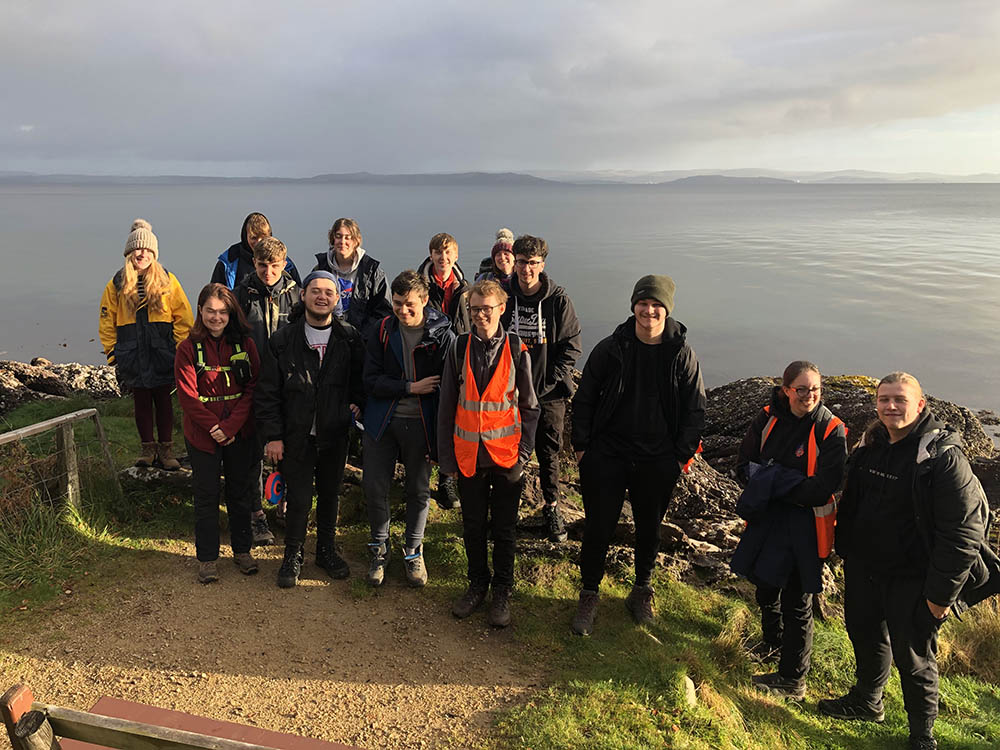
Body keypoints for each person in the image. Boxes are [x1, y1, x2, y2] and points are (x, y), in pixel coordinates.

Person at [818, 372, 985, 750]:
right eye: (884, 399)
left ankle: (921, 734)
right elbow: (854, 499)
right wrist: (841, 553)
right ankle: (867, 701)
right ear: (876, 403)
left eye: (900, 400)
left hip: (914, 577)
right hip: (864, 568)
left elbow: (963, 534)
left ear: (920, 405)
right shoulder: (871, 442)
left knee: (914, 657)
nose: (891, 406)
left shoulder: (941, 457)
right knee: (864, 635)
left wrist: (940, 597)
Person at [570, 275, 705, 636]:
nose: (648, 311)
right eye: (643, 304)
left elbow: (695, 410)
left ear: (667, 309)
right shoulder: (612, 347)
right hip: (607, 454)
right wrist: (583, 449)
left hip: (658, 458)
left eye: (656, 305)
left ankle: (641, 590)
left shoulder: (681, 354)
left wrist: (679, 457)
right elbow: (584, 399)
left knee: (650, 530)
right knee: (598, 527)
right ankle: (589, 593)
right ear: (633, 307)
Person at [729, 361, 847, 699]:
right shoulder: (767, 417)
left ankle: (793, 679)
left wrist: (771, 479)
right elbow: (744, 466)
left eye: (815, 390)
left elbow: (822, 487)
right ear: (786, 390)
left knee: (798, 600)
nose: (809, 396)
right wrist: (782, 480)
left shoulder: (830, 429)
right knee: (764, 583)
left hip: (806, 524)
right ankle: (772, 641)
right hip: (768, 518)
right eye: (802, 389)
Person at [438, 279, 539, 627]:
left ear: (501, 309)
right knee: (473, 525)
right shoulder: (457, 348)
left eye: (487, 308)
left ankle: (502, 592)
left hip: (508, 456)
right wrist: (446, 461)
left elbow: (530, 407)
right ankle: (477, 584)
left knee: (505, 529)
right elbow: (447, 407)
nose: (481, 315)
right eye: (475, 309)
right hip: (468, 455)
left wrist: (524, 453)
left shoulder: (516, 348)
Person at [255, 271, 365, 588]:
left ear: (337, 298)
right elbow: (267, 393)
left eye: (328, 292)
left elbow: (360, 382)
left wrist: (355, 407)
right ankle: (293, 554)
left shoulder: (349, 338)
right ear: (303, 295)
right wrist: (273, 436)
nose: (321, 297)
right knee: (300, 498)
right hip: (295, 436)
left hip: (334, 434)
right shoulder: (283, 341)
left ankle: (326, 551)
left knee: (330, 496)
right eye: (315, 291)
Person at [362, 270, 456, 587]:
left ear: (425, 301)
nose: (402, 311)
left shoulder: (443, 335)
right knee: (375, 486)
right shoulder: (381, 331)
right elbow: (370, 381)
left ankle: (413, 550)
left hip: (422, 425)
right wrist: (409, 387)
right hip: (382, 422)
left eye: (409, 304)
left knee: (418, 490)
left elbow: (450, 385)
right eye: (397, 303)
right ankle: (379, 547)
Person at [175, 284, 260, 584]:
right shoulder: (188, 348)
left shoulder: (245, 345)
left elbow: (252, 389)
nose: (216, 317)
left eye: (223, 312)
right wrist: (215, 428)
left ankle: (242, 550)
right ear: (200, 311)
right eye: (210, 311)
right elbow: (187, 396)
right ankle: (208, 558)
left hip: (239, 433)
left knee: (240, 492)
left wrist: (230, 428)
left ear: (231, 313)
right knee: (206, 495)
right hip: (202, 435)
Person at [501, 234, 582, 542]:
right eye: (521, 262)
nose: (526, 269)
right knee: (508, 451)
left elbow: (571, 348)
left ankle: (551, 507)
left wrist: (545, 385)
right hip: (508, 393)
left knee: (548, 452)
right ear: (514, 262)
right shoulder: (503, 296)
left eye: (533, 263)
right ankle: (507, 508)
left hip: (549, 395)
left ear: (542, 264)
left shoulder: (558, 301)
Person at [99, 219, 193, 470]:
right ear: (129, 253)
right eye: (137, 250)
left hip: (162, 352)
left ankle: (166, 451)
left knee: (163, 402)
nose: (142, 254)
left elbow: (183, 317)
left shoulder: (167, 280)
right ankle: (147, 449)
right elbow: (107, 319)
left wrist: (179, 349)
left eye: (147, 250)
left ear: (154, 253)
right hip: (131, 352)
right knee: (141, 403)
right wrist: (112, 352)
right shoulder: (117, 283)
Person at [235, 236, 300, 545]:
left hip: (287, 386)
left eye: (274, 265)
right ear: (255, 264)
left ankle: (284, 504)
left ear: (284, 264)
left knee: (286, 449)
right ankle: (255, 515)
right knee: (253, 454)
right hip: (252, 385)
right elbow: (233, 339)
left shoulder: (296, 295)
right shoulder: (241, 295)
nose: (268, 271)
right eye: (262, 265)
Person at [418, 232, 472, 510]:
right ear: (431, 255)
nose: (443, 257)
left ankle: (447, 479)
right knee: (430, 420)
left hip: (458, 360)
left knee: (454, 418)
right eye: (438, 252)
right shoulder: (420, 285)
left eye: (448, 252)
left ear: (456, 255)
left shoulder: (465, 288)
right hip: (428, 361)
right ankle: (423, 481)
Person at [311, 217, 391, 341]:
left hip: (363, 340)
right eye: (338, 236)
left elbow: (384, 311)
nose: (342, 241)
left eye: (348, 237)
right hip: (327, 337)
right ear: (332, 238)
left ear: (356, 241)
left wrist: (361, 336)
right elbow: (310, 302)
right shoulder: (321, 269)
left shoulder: (372, 271)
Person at [211, 212, 302, 290]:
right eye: (253, 238)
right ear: (245, 236)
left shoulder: (284, 262)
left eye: (263, 237)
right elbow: (214, 295)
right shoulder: (229, 261)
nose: (258, 242)